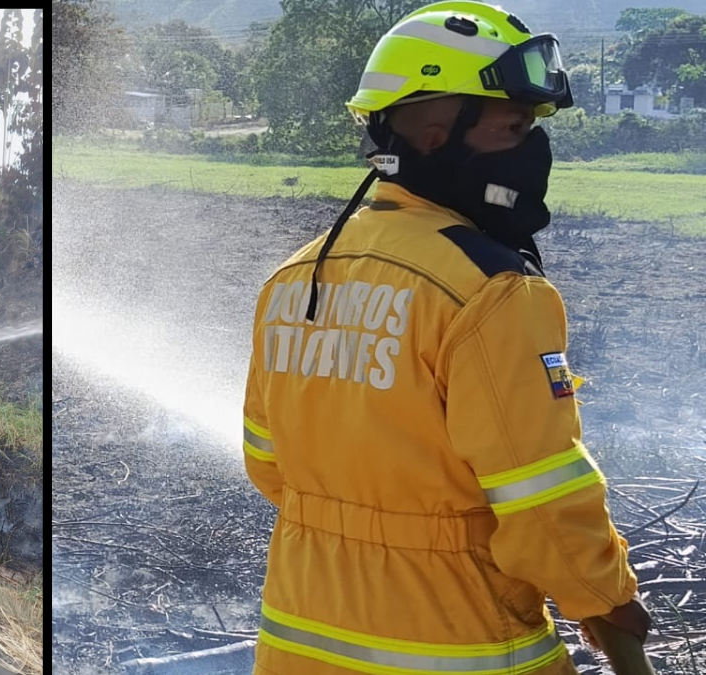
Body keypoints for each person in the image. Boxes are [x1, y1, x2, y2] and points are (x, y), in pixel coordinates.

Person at [242, 3, 650, 674]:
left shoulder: (293, 277)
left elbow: (268, 463)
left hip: (297, 645)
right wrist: (606, 600)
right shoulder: (492, 292)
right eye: (513, 127)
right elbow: (545, 503)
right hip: (465, 649)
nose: (532, 148)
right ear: (435, 135)